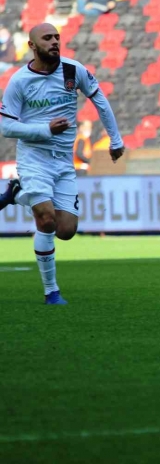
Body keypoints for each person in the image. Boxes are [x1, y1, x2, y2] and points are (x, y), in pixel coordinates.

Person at [0, 23, 125, 305]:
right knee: (45, 218)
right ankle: (52, 292)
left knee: (66, 230)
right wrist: (45, 129)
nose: (55, 42)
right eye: (47, 38)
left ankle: (16, 195)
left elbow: (100, 100)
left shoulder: (73, 70)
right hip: (34, 158)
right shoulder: (19, 81)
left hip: (63, 162)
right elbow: (6, 128)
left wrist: (115, 140)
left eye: (57, 37)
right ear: (32, 45)